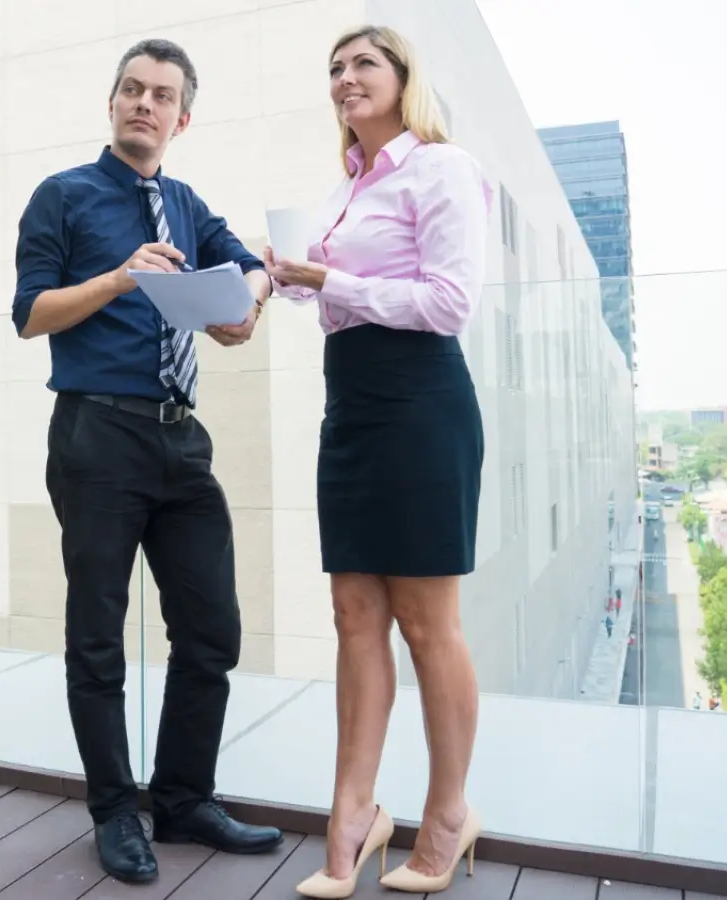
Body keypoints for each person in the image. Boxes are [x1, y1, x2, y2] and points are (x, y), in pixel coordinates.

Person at [11, 38, 280, 885]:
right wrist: (120, 279)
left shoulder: (189, 204)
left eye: (162, 95)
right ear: (113, 101)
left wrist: (247, 310)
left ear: (181, 117)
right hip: (97, 434)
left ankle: (185, 798)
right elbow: (30, 315)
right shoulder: (63, 196)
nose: (144, 104)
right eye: (132, 89)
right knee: (97, 637)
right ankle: (114, 812)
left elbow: (249, 271)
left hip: (179, 437)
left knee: (211, 628)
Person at [264, 24, 490, 898]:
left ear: (404, 79)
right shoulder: (342, 189)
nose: (345, 77)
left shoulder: (442, 168)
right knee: (354, 615)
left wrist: (327, 283)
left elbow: (447, 302)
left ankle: (448, 814)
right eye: (334, 68)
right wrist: (276, 278)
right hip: (351, 402)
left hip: (423, 400)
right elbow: (323, 293)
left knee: (429, 624)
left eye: (363, 63)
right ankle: (354, 818)